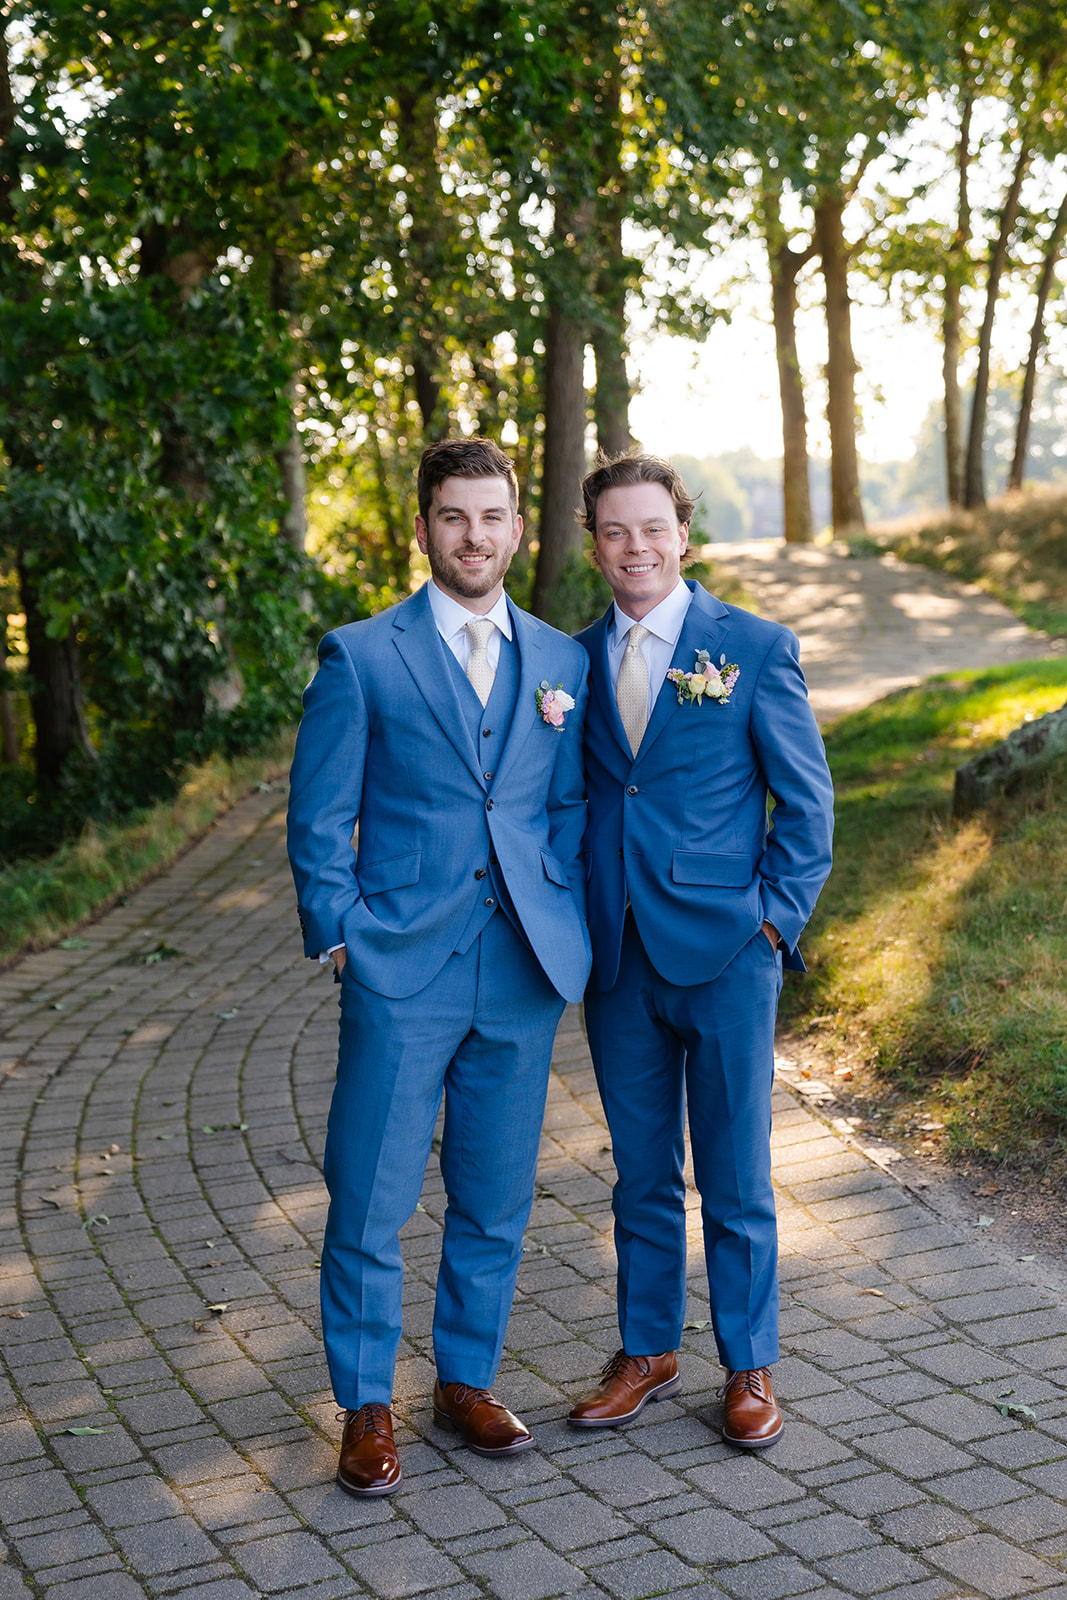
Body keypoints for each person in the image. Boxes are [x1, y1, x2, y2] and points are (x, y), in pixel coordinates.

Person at [287, 437, 591, 1496]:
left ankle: (464, 1379)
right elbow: (320, 812)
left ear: (517, 526)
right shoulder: (362, 654)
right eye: (452, 517)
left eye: (491, 516)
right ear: (423, 529)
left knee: (494, 1193)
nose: (473, 535)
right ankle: (365, 1403)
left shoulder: (561, 662)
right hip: (401, 966)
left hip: (519, 967)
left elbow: (564, 808)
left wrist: (563, 914)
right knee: (368, 1194)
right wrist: (342, 928)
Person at [567, 452, 833, 1449]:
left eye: (650, 528)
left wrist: (773, 919)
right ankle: (645, 1350)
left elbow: (804, 803)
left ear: (682, 536)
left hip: (727, 949)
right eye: (612, 531)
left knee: (734, 1172)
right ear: (593, 545)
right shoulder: (569, 663)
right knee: (638, 1173)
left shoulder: (752, 648)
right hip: (615, 956)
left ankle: (749, 1363)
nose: (633, 547)